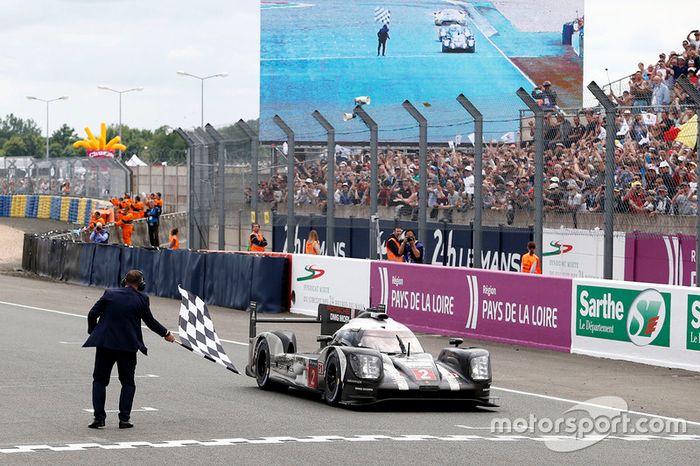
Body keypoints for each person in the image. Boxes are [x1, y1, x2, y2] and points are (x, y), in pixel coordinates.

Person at [83, 270, 176, 429]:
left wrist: (93, 330)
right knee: (127, 382)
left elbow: (92, 314)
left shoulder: (109, 293)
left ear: (124, 281)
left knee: (99, 380)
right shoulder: (142, 299)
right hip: (127, 346)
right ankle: (124, 419)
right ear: (141, 285)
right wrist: (166, 334)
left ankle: (99, 419)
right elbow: (150, 322)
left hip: (106, 343)